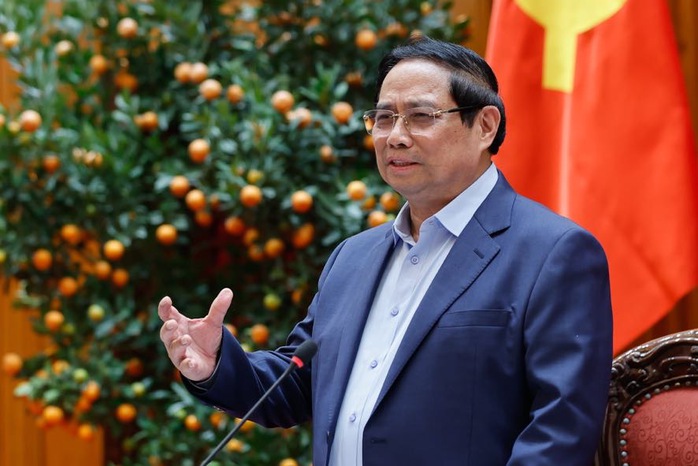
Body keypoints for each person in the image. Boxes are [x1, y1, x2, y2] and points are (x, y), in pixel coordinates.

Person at [159, 36, 613, 466]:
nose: (395, 136)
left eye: (420, 116)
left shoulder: (554, 253)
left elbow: (561, 428)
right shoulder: (352, 257)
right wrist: (216, 364)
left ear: (485, 126)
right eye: (383, 118)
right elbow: (297, 382)